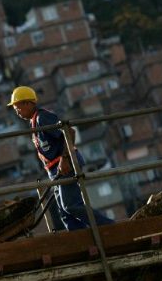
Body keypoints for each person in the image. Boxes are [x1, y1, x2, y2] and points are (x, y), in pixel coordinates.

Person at [8, 86, 114, 231]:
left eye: (18, 108)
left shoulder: (42, 118)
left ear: (28, 103)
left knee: (71, 205)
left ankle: (109, 226)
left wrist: (65, 159)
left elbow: (69, 132)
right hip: (55, 170)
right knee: (64, 212)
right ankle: (80, 238)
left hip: (66, 165)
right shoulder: (34, 122)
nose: (17, 112)